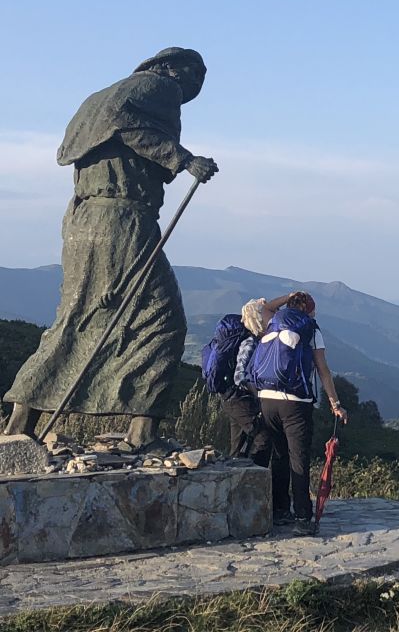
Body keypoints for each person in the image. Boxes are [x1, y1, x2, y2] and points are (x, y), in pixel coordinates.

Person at [3, 48, 217, 448]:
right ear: (170, 67)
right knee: (163, 320)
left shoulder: (97, 98)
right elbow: (126, 124)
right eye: (194, 75)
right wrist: (184, 159)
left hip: (82, 221)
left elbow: (85, 144)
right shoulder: (158, 86)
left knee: (76, 318)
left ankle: (21, 419)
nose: (194, 86)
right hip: (123, 219)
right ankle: (142, 432)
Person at [255, 291, 347, 535]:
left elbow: (263, 307)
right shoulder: (311, 330)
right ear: (309, 310)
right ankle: (303, 518)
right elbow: (323, 371)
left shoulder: (272, 322)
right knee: (299, 458)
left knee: (279, 455)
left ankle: (280, 510)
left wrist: (287, 296)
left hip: (266, 398)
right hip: (295, 402)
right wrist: (335, 404)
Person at [215, 298, 272, 466]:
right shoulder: (250, 342)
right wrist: (258, 394)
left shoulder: (251, 339)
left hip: (232, 398)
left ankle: (237, 481)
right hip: (240, 399)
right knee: (263, 437)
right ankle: (257, 479)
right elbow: (240, 376)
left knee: (239, 446)